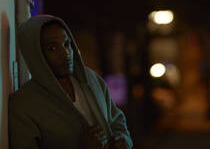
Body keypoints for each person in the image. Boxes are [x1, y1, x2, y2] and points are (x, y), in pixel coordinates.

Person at [9, 15, 133, 149]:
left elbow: (116, 120)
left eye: (67, 44)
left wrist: (124, 139)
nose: (65, 53)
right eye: (53, 48)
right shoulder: (24, 105)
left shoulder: (91, 79)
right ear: (36, 55)